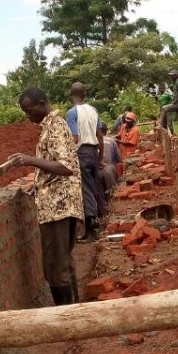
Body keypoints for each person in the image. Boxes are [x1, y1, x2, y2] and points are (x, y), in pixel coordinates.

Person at [10, 87, 84, 305]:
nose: (27, 115)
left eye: (29, 110)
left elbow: (65, 166)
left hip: (58, 208)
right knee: (62, 261)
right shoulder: (50, 126)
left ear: (42, 104)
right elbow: (56, 165)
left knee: (54, 264)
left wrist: (30, 160)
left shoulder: (56, 126)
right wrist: (39, 182)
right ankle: (74, 311)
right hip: (58, 202)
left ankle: (65, 317)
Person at [65, 82, 106, 242]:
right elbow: (100, 136)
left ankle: (93, 230)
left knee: (86, 190)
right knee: (93, 188)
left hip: (82, 153)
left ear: (71, 95)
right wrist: (100, 158)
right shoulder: (93, 110)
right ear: (85, 95)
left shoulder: (71, 113)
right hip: (94, 152)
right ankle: (92, 228)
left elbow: (75, 138)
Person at [159, 70, 178, 135]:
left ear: (176, 76)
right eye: (170, 76)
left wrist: (175, 101)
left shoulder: (177, 83)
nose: (170, 77)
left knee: (164, 108)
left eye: (172, 75)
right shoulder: (175, 83)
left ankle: (160, 125)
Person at [99, 124, 122, 195]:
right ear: (105, 132)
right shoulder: (112, 141)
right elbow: (118, 159)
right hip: (110, 171)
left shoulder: (91, 142)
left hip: (96, 172)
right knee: (112, 193)